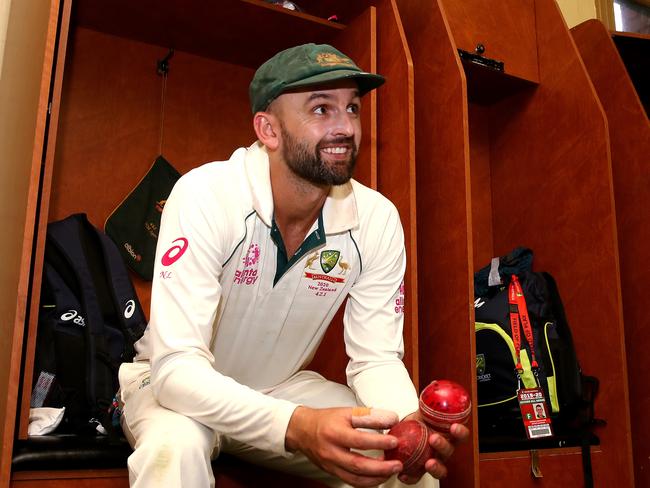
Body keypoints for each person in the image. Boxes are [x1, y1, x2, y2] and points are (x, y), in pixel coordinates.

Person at [117, 43, 469, 488]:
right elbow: (177, 371)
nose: (346, 127)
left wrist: (406, 426)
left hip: (281, 387)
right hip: (173, 387)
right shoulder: (205, 195)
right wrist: (296, 426)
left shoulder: (377, 220)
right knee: (175, 449)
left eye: (353, 108)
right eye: (321, 109)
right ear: (268, 129)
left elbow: (375, 358)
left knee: (397, 468)